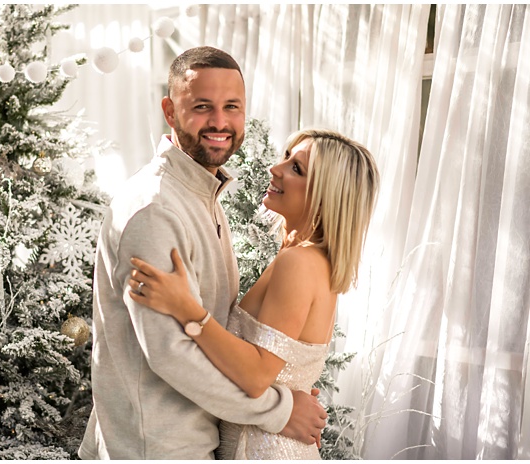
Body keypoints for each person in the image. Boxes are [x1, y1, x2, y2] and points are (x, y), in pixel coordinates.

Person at [78, 46, 327, 460]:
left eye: (232, 106)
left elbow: (219, 332)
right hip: (155, 447)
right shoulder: (155, 209)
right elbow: (169, 353)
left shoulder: (202, 195)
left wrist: (285, 385)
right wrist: (280, 409)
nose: (219, 122)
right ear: (170, 111)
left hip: (190, 440)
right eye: (202, 107)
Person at [127, 129, 380, 459]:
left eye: (297, 168)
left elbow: (257, 375)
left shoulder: (300, 263)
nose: (277, 168)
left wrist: (186, 308)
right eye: (287, 157)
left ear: (325, 196)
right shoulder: (305, 257)